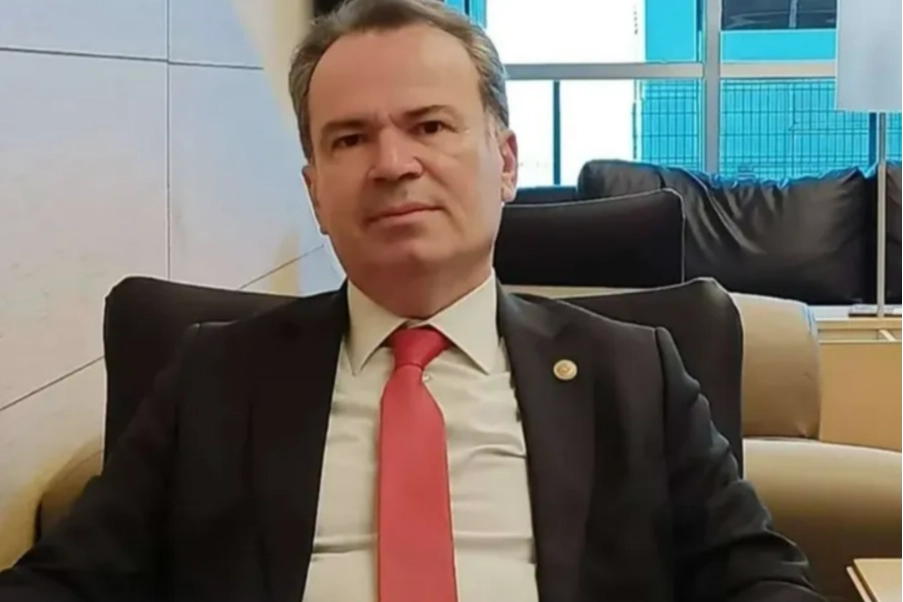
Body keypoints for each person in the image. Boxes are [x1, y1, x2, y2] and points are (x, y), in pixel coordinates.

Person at [0, 0, 826, 601]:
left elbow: (755, 575)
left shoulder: (633, 371)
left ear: (505, 162)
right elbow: (66, 580)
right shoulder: (212, 375)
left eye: (429, 126)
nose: (392, 164)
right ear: (315, 192)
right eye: (350, 138)